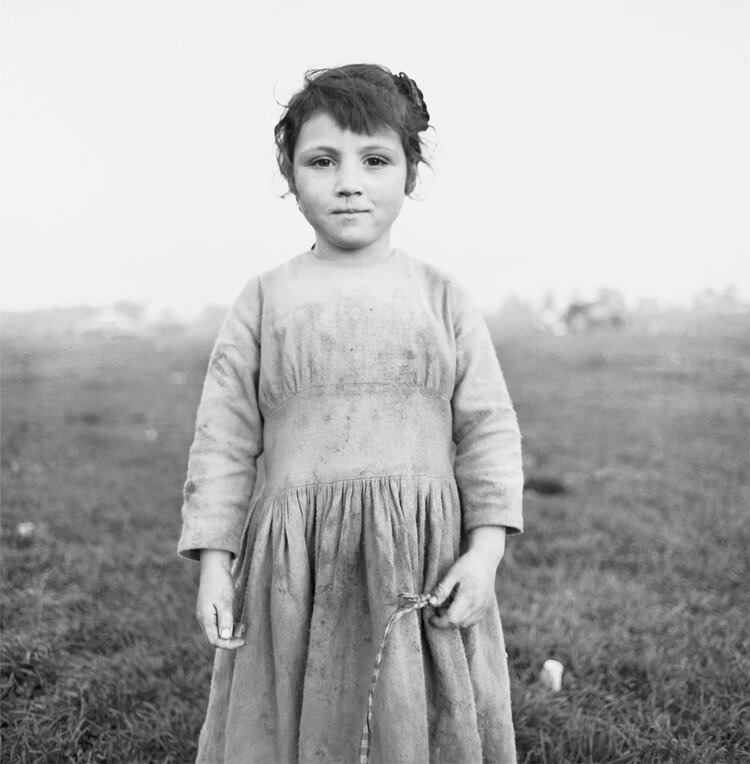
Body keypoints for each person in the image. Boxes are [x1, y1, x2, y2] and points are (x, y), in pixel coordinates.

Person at [178, 63, 524, 764]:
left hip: (416, 553)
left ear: (410, 174)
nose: (348, 181)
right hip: (296, 564)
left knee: (412, 716)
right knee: (300, 709)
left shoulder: (442, 297)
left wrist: (485, 552)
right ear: (289, 172)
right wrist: (215, 564)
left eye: (374, 160)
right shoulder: (266, 299)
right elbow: (222, 439)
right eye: (321, 160)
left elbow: (488, 430)